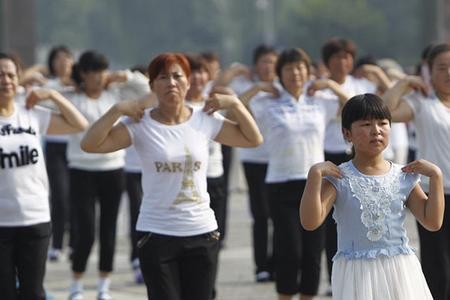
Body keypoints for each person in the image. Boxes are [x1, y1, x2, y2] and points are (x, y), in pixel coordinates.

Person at [80, 52, 263, 300]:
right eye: (163, 77)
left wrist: (235, 105)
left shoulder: (204, 118)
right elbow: (90, 144)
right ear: (152, 85)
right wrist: (116, 110)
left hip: (201, 232)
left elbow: (253, 139)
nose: (171, 83)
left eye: (178, 76)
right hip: (157, 234)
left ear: (188, 82)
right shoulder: (141, 124)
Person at [300, 93, 444, 300]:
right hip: (357, 274)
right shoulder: (339, 176)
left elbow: (432, 222)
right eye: (366, 124)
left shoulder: (402, 176)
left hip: (400, 270)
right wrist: (314, 176)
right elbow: (310, 222)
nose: (376, 130)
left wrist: (436, 178)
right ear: (347, 134)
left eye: (383, 123)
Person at [253, 48, 349, 300]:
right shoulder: (268, 104)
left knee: (312, 250)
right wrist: (258, 88)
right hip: (280, 183)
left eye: (300, 68)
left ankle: (308, 296)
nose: (295, 73)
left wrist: (329, 84)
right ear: (280, 74)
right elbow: (234, 111)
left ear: (308, 72)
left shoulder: (318, 103)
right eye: (288, 69)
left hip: (314, 184)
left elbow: (352, 106)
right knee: (290, 251)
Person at [0, 52, 88, 300]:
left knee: (33, 292)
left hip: (34, 217)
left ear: (18, 79)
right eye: (0, 75)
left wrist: (53, 95)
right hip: (1, 221)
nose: (5, 80)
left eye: (10, 75)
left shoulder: (30, 113)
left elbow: (79, 124)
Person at [66, 50, 150, 300]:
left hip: (112, 170)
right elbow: (44, 96)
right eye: (94, 72)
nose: (100, 77)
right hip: (81, 170)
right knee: (86, 232)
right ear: (83, 73)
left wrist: (128, 76)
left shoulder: (116, 94)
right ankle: (76, 284)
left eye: (103, 71)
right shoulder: (72, 98)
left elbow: (149, 93)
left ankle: (104, 285)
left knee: (109, 229)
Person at [320, 37, 391, 288]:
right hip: (333, 154)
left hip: (365, 154)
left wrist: (377, 72)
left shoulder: (359, 83)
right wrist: (326, 85)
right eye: (337, 57)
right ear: (327, 62)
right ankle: (334, 275)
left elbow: (361, 106)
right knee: (334, 219)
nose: (343, 62)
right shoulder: (317, 89)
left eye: (347, 57)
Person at [382, 43, 450, 300]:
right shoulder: (422, 104)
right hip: (436, 195)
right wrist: (405, 82)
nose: (448, 73)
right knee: (438, 266)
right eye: (441, 67)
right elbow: (385, 112)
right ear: (429, 72)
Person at [217, 44, 279, 282]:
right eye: (264, 62)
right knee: (261, 214)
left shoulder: (283, 89)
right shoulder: (245, 88)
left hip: (279, 159)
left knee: (280, 216)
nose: (269, 67)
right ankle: (261, 265)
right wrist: (255, 89)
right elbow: (231, 112)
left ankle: (278, 263)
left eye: (273, 62)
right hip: (253, 159)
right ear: (256, 65)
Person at [42, 45, 76, 262]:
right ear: (52, 63)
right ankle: (57, 244)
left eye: (68, 59)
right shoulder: (48, 86)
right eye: (59, 60)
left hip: (75, 147)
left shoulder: (79, 87)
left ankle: (74, 242)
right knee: (60, 196)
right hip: (55, 146)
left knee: (76, 197)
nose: (64, 63)